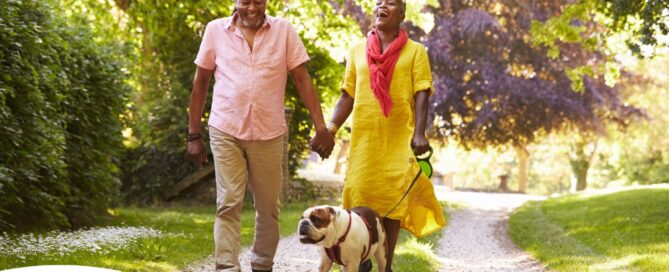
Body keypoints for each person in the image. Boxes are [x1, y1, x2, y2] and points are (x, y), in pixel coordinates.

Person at [186, 0, 334, 271]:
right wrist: (193, 134)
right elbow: (201, 83)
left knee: (268, 206)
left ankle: (262, 264)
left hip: (268, 131)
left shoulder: (284, 31)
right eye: (245, 2)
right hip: (225, 128)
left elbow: (302, 79)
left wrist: (321, 127)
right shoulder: (215, 30)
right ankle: (227, 266)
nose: (252, 8)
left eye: (257, 1)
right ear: (235, 2)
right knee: (228, 201)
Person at [318, 0, 445, 271]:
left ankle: (385, 264)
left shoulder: (415, 52)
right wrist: (330, 130)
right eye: (378, 3)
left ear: (401, 14)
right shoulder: (356, 51)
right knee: (359, 198)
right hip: (365, 140)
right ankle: (362, 258)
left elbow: (422, 92)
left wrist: (420, 133)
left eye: (390, 3)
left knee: (392, 202)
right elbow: (347, 95)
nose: (381, 6)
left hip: (399, 139)